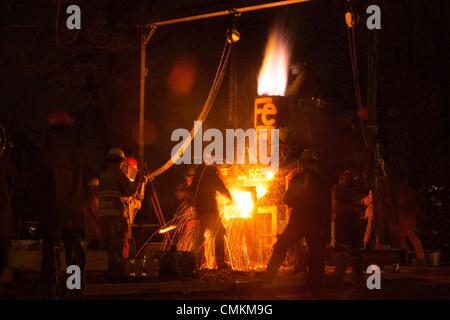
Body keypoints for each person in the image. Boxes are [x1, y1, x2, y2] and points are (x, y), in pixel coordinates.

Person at [35, 111, 96, 299]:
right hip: (75, 217)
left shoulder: (46, 155)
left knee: (50, 258)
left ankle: (50, 291)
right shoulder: (81, 155)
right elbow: (91, 186)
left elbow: (35, 187)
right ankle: (73, 291)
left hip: (51, 216)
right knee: (74, 257)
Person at [265, 149, 331, 291]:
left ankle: (268, 278)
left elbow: (288, 200)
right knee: (316, 252)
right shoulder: (323, 182)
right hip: (317, 221)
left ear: (302, 164)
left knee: (281, 246)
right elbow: (327, 207)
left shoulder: (297, 179)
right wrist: (327, 233)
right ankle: (316, 285)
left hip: (299, 219)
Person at [98, 149, 144, 263]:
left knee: (105, 244)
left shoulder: (102, 175)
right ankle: (118, 269)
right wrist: (139, 181)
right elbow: (130, 191)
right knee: (119, 243)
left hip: (103, 217)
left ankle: (105, 270)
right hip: (116, 216)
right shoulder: (118, 174)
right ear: (122, 161)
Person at [191, 164, 232, 270]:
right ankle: (220, 262)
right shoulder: (212, 176)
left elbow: (191, 193)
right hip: (211, 211)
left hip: (200, 212)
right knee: (220, 233)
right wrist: (229, 198)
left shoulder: (198, 177)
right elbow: (222, 188)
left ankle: (199, 262)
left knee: (200, 237)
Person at [331, 169, 365, 284]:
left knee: (342, 248)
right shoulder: (357, 190)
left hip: (342, 220)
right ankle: (358, 275)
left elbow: (334, 204)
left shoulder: (337, 189)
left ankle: (339, 276)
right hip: (354, 220)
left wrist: (333, 216)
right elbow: (360, 203)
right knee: (356, 250)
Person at [0, 124, 20, 278]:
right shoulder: (7, 166)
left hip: (3, 224)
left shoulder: (7, 166)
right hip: (3, 224)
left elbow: (17, 185)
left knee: (2, 258)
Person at [397, 185, 426, 264]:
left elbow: (414, 208)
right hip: (405, 221)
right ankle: (406, 256)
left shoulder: (408, 196)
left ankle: (420, 257)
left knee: (412, 238)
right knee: (403, 239)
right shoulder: (408, 197)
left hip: (407, 221)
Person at [85, 178, 100, 249]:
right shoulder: (93, 200)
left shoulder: (90, 199)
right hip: (94, 232)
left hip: (90, 231)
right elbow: (95, 215)